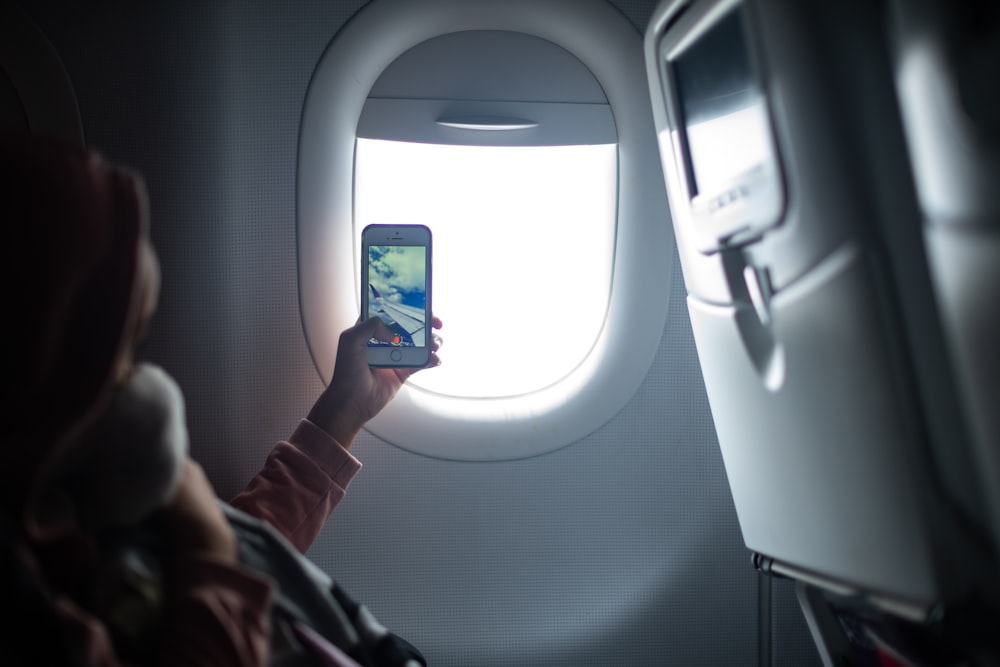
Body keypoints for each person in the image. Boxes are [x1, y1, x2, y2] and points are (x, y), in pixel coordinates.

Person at [0, 133, 441, 666]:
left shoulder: (90, 498)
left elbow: (240, 559)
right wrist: (206, 543)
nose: (140, 386)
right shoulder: (34, 604)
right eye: (114, 361)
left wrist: (344, 408)